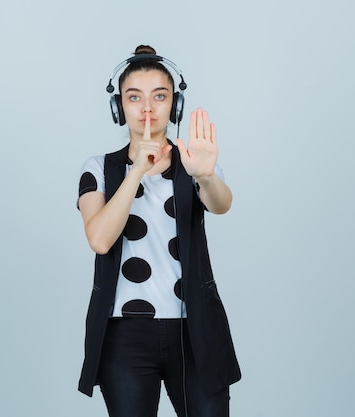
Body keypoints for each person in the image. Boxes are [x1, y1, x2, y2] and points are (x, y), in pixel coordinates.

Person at [76, 45, 241, 417]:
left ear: (175, 105)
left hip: (195, 327)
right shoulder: (99, 168)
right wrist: (136, 170)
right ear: (119, 107)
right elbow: (100, 239)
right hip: (125, 336)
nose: (147, 108)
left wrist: (205, 175)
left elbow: (221, 204)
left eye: (160, 96)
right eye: (134, 97)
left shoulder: (195, 162)